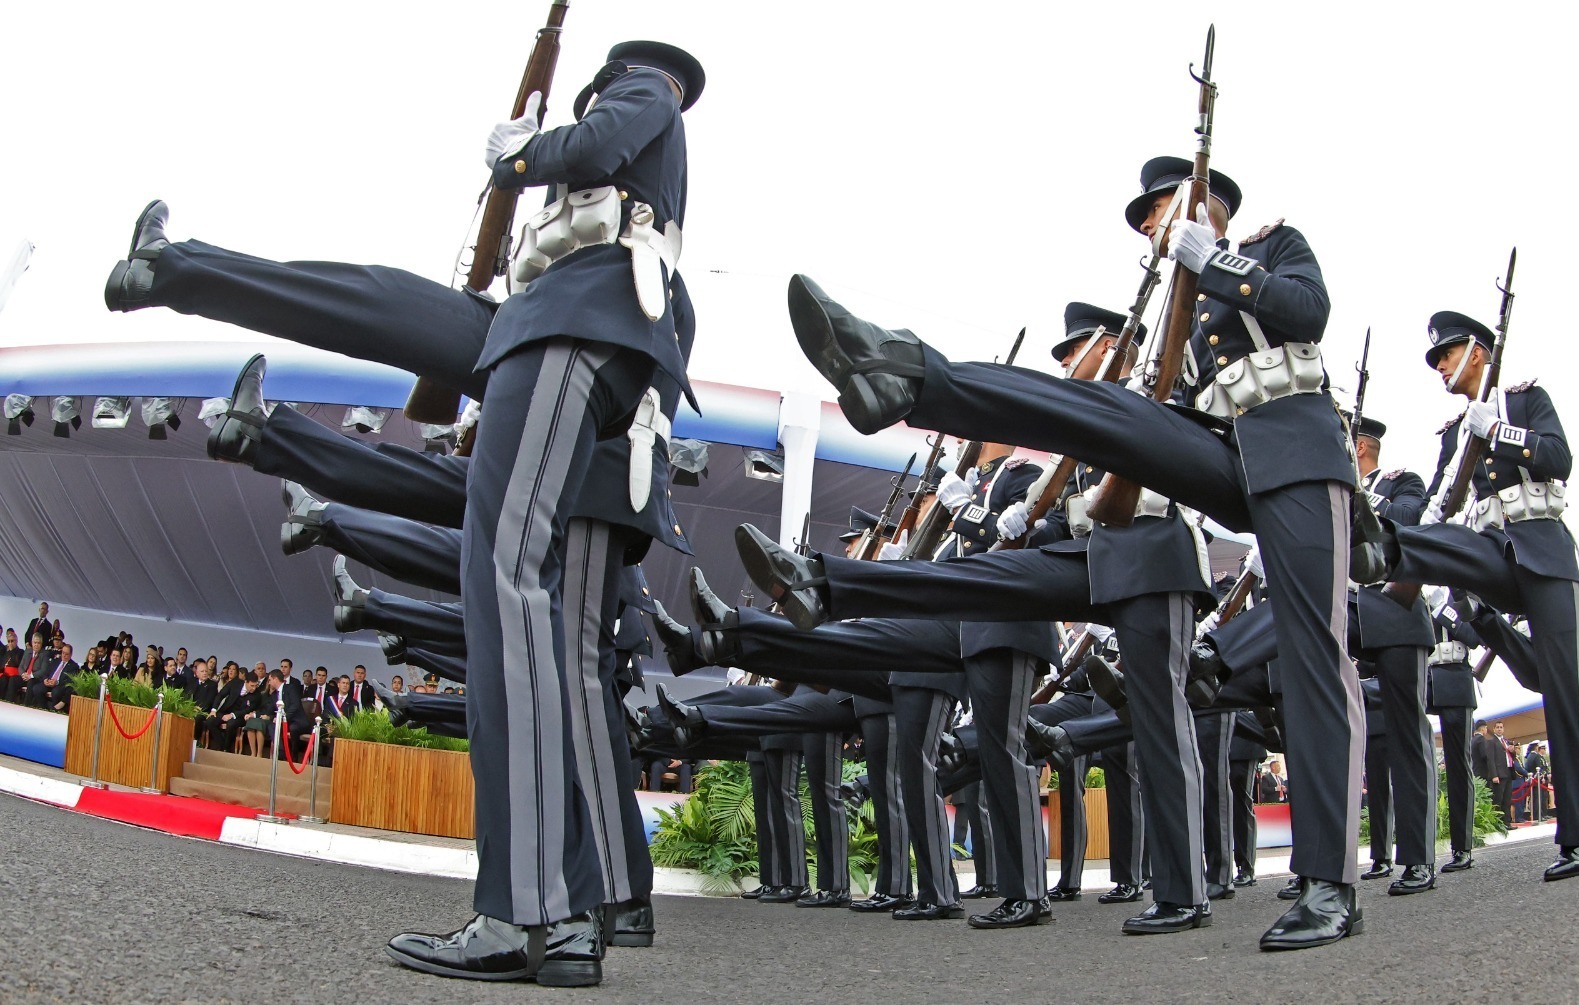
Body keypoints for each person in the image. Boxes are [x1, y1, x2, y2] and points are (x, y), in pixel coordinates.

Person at [776, 155, 1365, 949]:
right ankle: (911, 375)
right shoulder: (1175, 319)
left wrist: (1213, 263)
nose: (1153, 228)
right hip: (1225, 447)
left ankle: (1329, 883)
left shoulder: (1270, 244)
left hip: (1293, 442)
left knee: (1311, 649)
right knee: (1097, 408)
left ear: (1204, 202)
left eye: (1159, 211)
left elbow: (1308, 311)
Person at [1382, 310, 1578, 880]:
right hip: (1493, 556)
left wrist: (1499, 432)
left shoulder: (1523, 399)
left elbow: (1559, 458)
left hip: (1541, 548)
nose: (1440, 366)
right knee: (1435, 538)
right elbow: (1440, 503)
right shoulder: (1452, 435)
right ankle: (1388, 551)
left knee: (1561, 690)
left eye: (1446, 353)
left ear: (1477, 350)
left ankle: (1576, 839)